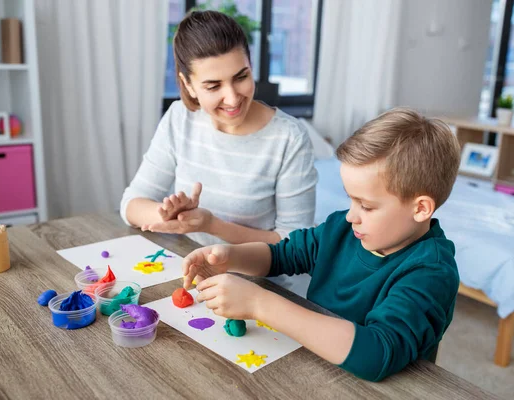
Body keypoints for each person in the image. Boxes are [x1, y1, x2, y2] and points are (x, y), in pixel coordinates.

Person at [181, 108, 461, 381]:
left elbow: (377, 353)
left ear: (421, 208)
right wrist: (229, 256)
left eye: (366, 206)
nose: (351, 215)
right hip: (313, 368)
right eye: (350, 199)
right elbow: (282, 255)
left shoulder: (431, 271)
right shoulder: (343, 227)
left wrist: (259, 304)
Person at [120, 11, 317, 277]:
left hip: (259, 286)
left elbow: (296, 246)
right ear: (188, 85)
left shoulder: (289, 138)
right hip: (189, 276)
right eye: (213, 86)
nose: (233, 98)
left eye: (241, 77)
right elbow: (131, 205)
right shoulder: (180, 118)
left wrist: (212, 225)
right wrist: (169, 216)